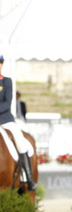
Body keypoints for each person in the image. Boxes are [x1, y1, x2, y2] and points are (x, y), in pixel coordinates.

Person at [0, 56, 36, 191]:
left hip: (5, 120)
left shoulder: (6, 82)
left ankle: (28, 178)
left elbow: (6, 103)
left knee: (20, 143)